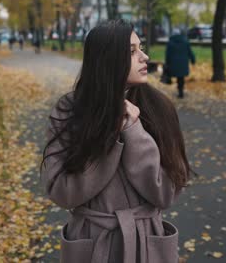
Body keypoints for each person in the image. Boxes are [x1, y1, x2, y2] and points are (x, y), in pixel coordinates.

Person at [41, 20, 190, 263]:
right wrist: (110, 130)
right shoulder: (69, 110)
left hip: (146, 243)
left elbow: (166, 193)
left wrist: (133, 130)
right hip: (92, 243)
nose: (144, 56)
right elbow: (63, 193)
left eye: (140, 47)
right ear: (106, 59)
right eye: (132, 51)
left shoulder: (160, 108)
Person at [165, 28, 195, 98]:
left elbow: (168, 54)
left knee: (174, 75)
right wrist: (193, 60)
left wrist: (167, 63)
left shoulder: (170, 42)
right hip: (183, 64)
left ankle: (177, 88)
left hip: (173, 64)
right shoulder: (185, 41)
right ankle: (180, 91)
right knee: (181, 78)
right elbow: (190, 52)